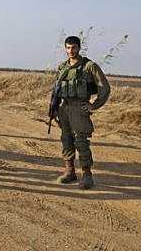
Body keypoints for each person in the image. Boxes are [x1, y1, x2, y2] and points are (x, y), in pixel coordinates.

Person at [53, 36, 111, 189]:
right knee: (66, 140)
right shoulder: (62, 67)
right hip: (64, 107)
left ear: (79, 48)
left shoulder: (89, 66)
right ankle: (70, 171)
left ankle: (87, 174)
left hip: (79, 108)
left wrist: (94, 105)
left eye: (73, 48)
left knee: (81, 142)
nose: (70, 51)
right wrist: (54, 109)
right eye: (68, 48)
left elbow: (104, 88)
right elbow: (57, 90)